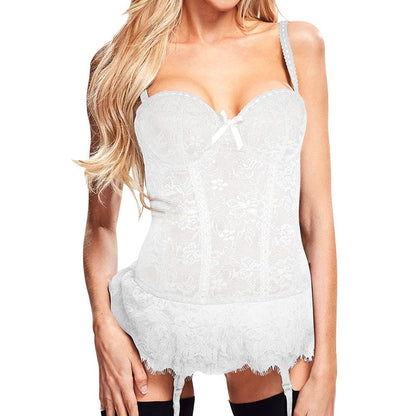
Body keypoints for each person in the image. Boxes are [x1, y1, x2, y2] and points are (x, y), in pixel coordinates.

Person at [75, 1, 337, 415]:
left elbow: (316, 218)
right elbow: (101, 227)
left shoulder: (298, 46)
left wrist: (327, 368)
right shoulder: (120, 64)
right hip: (155, 321)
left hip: (275, 326)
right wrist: (103, 328)